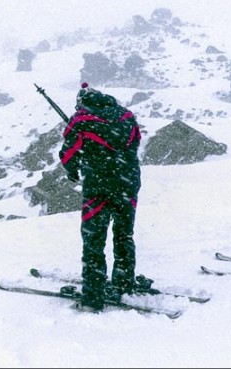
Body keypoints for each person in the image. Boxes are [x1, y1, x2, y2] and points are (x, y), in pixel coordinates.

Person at [59, 83, 142, 312]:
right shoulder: (126, 116)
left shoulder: (81, 119)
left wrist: (74, 170)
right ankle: (124, 283)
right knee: (124, 234)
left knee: (94, 240)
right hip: (128, 183)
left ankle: (93, 295)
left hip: (99, 186)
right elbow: (134, 142)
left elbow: (68, 153)